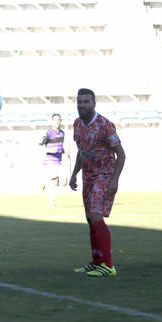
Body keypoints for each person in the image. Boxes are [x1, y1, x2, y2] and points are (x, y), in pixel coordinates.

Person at [69, 88, 126, 278]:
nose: (82, 105)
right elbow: (81, 151)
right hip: (88, 176)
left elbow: (121, 154)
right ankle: (96, 262)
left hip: (105, 175)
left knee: (95, 214)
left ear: (94, 104)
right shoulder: (77, 124)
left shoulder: (104, 124)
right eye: (79, 102)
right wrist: (74, 174)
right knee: (89, 218)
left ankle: (108, 265)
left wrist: (115, 180)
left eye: (86, 102)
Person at [40, 113, 68, 207]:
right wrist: (47, 147)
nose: (57, 121)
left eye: (59, 120)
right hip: (50, 161)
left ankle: (44, 183)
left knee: (61, 182)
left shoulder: (62, 133)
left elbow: (60, 146)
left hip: (59, 161)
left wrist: (64, 152)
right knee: (55, 180)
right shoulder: (49, 132)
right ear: (52, 121)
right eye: (55, 120)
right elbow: (42, 145)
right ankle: (51, 202)